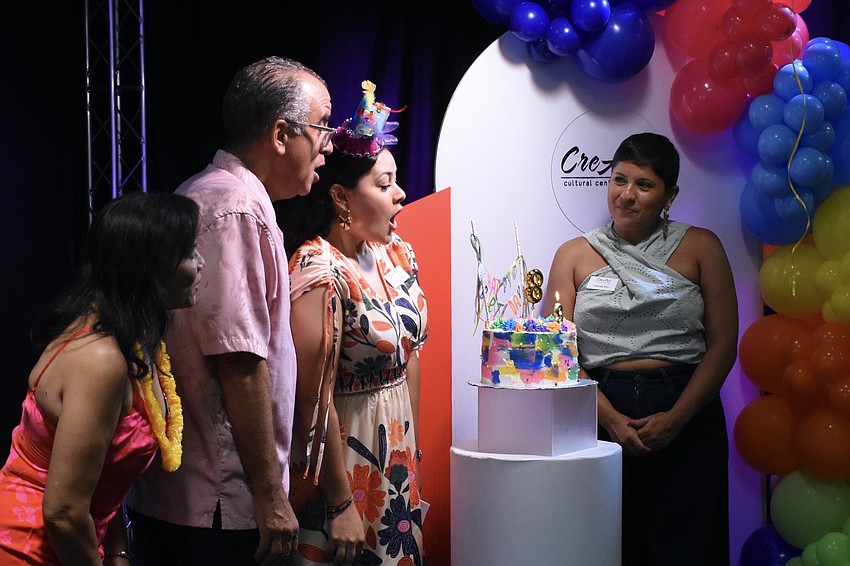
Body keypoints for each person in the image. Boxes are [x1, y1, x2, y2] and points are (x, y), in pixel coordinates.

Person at [125, 56, 333, 566]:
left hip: (203, 498)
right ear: (281, 134)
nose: (328, 145)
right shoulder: (234, 207)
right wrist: (268, 493)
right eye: (322, 127)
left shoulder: (226, 196)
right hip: (215, 500)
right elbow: (238, 360)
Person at [544, 132, 738, 566]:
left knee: (686, 546)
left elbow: (724, 344)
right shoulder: (574, 254)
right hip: (597, 408)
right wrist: (610, 418)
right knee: (607, 545)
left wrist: (677, 417)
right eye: (619, 180)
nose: (626, 195)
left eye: (644, 185)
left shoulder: (701, 246)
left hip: (687, 408)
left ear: (670, 194)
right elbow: (558, 353)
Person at [0, 191, 202, 565]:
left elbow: (101, 474)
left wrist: (118, 550)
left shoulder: (133, 343)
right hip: (27, 550)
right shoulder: (100, 359)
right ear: (151, 267)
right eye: (190, 253)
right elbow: (62, 512)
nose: (201, 263)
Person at [278, 80, 429, 566]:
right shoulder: (318, 271)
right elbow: (311, 398)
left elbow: (410, 357)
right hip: (343, 460)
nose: (400, 194)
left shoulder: (396, 252)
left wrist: (414, 450)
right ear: (341, 199)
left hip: (397, 451)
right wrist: (341, 502)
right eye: (384, 185)